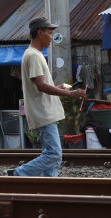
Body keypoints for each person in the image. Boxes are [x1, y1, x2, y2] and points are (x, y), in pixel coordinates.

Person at [5, 17, 86, 177]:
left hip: (44, 113)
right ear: (40, 33)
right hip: (43, 114)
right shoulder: (34, 55)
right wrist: (70, 93)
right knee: (54, 154)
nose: (51, 37)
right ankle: (17, 174)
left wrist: (58, 88)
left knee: (53, 158)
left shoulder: (33, 54)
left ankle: (49, 189)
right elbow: (40, 85)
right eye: (49, 33)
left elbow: (38, 87)